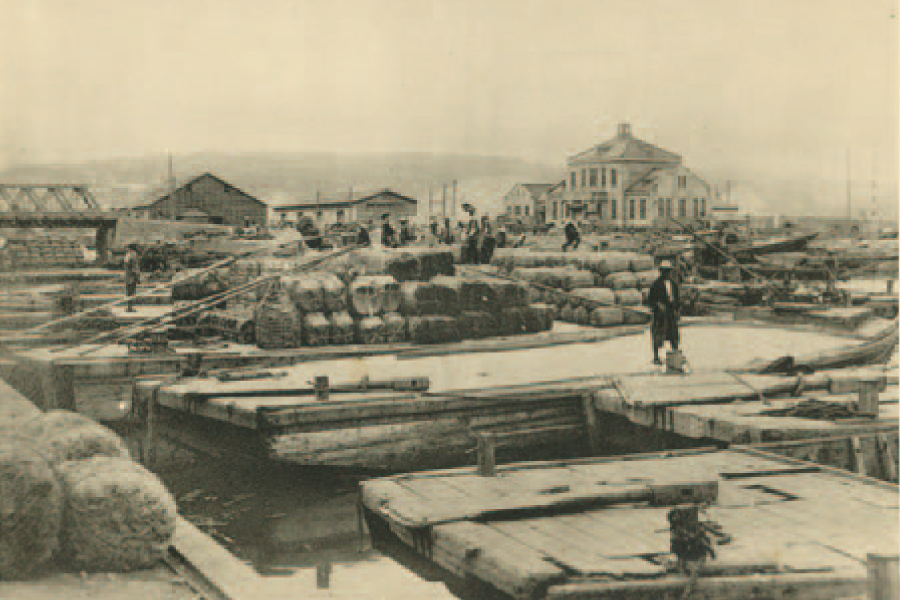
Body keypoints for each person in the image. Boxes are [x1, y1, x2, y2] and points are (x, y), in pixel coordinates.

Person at [645, 260, 680, 365]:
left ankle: (675, 355)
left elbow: (677, 298)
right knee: (658, 335)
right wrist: (657, 305)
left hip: (670, 312)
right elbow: (651, 299)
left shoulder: (673, 284)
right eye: (664, 271)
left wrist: (677, 310)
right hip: (659, 314)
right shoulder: (656, 285)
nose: (666, 274)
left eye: (668, 271)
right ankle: (656, 357)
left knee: (673, 334)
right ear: (661, 272)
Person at [124, 243, 141, 313]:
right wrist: (137, 277)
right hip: (132, 277)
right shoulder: (134, 255)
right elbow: (135, 267)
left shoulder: (128, 255)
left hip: (128, 276)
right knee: (132, 292)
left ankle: (129, 307)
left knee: (129, 292)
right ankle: (130, 307)